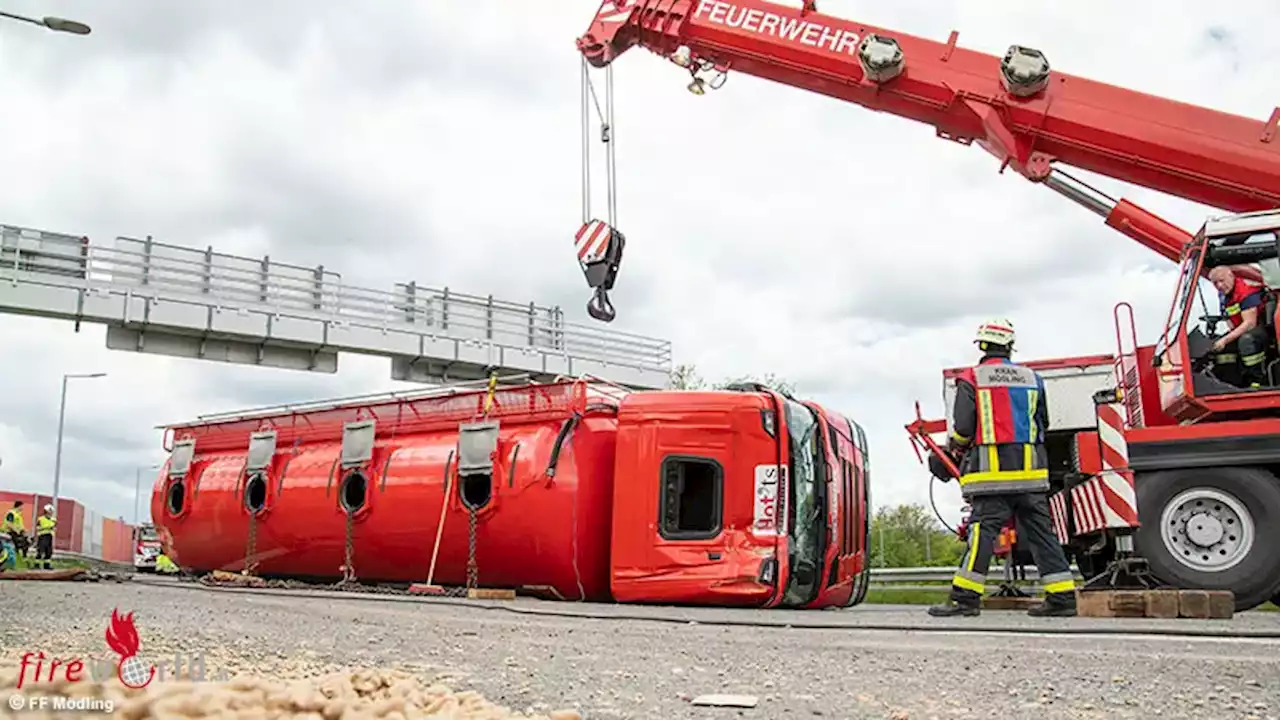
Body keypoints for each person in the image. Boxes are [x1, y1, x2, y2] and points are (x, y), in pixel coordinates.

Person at [927, 319, 1078, 618]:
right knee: (1041, 534)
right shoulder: (1033, 379)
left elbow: (964, 430)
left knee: (982, 534)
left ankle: (965, 599)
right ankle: (1062, 599)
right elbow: (1043, 424)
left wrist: (954, 447)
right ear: (1010, 346)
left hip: (991, 477)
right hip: (1032, 475)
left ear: (982, 345)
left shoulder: (971, 378)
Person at [1207, 266, 1268, 389]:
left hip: (1261, 328)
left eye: (1222, 280)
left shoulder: (1245, 290)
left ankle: (1258, 381)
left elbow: (1250, 323)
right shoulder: (1223, 294)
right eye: (1215, 283)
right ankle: (1231, 384)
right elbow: (1229, 318)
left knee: (1246, 341)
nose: (1219, 285)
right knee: (1221, 349)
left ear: (1231, 276)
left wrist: (1225, 340)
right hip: (1240, 328)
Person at [34, 504, 56, 570]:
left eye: (52, 511)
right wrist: (47, 527)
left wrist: (52, 529)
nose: (51, 513)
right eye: (50, 511)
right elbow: (38, 528)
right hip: (42, 536)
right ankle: (37, 565)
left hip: (50, 536)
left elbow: (54, 528)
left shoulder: (54, 520)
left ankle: (47, 565)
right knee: (40, 551)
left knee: (49, 551)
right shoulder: (40, 519)